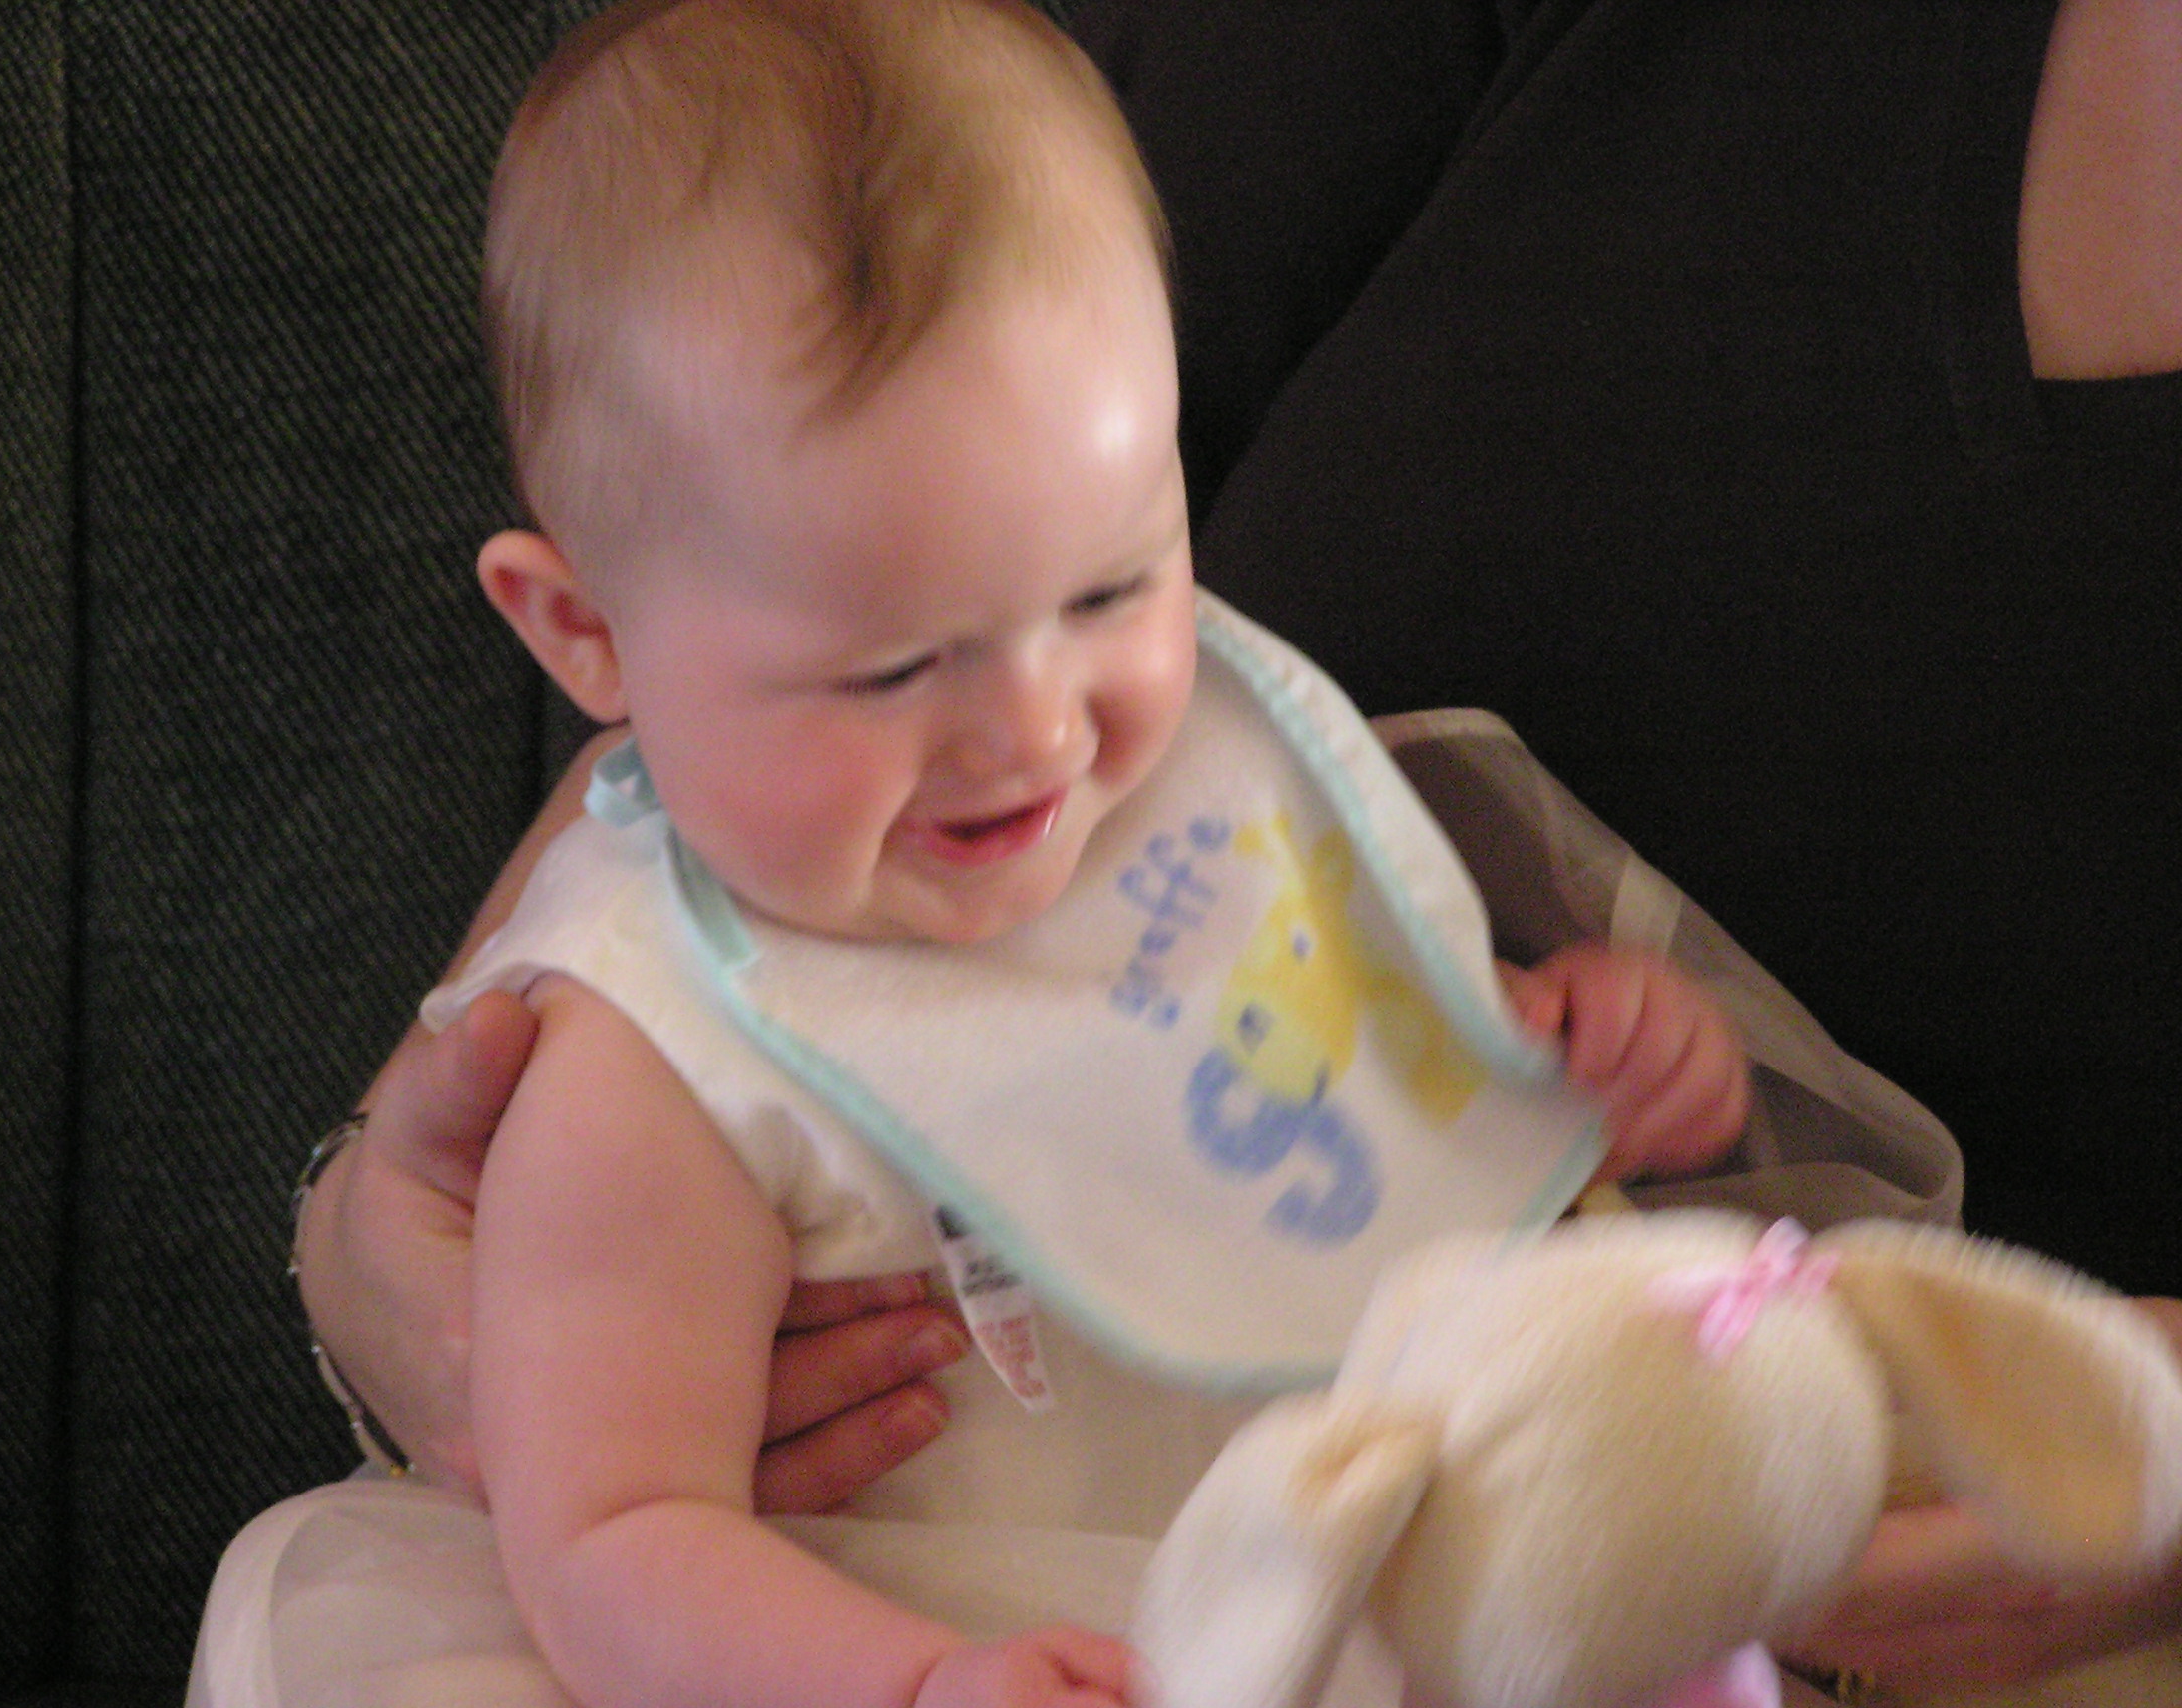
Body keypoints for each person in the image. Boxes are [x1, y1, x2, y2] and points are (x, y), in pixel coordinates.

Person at [293, 0, 2182, 1699]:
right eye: (888, 669)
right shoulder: (654, 1065)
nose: (1037, 733)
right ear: (584, 635)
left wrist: (1558, 1059)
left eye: (1113, 588)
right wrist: (917, 1684)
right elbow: (609, 1542)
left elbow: (1298, 1069)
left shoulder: (1189, 789)